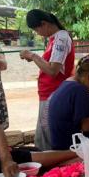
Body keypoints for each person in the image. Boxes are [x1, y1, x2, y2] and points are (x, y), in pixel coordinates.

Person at [0, 65, 77, 177]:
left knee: (32, 152)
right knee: (21, 158)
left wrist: (6, 158)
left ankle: (77, 155)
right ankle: (77, 153)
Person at [19, 9, 75, 150]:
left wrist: (33, 56)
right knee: (44, 136)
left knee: (48, 139)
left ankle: (53, 168)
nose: (38, 33)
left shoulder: (61, 38)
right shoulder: (54, 39)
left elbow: (52, 70)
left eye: (36, 29)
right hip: (49, 94)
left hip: (53, 94)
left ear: (44, 24)